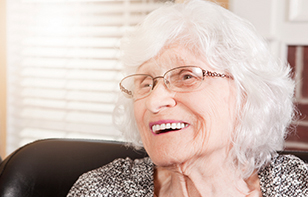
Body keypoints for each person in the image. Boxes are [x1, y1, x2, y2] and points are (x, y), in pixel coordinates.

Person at [67, 0, 308, 196]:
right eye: (145, 83)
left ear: (246, 93)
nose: (154, 101)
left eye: (186, 76)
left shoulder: (298, 184)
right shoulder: (102, 189)